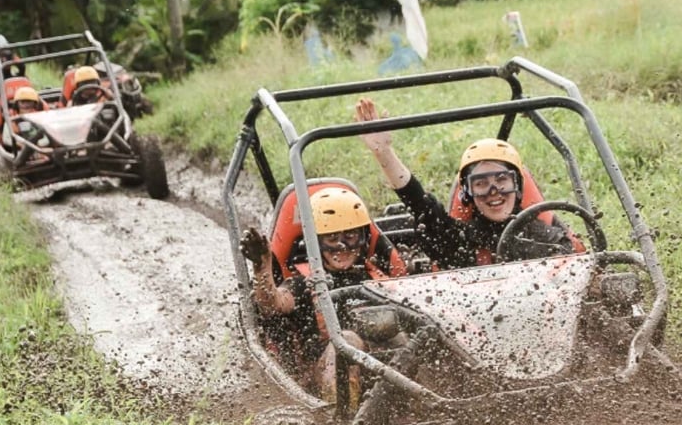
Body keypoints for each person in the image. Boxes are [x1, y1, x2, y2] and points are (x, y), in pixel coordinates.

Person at [354, 97, 580, 268]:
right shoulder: (459, 241)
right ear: (467, 194)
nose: (494, 192)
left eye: (502, 180)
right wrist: (384, 154)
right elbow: (421, 206)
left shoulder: (549, 239)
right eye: (481, 184)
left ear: (518, 187)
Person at [239, 184, 406, 401]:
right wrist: (263, 269)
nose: (342, 246)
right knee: (347, 340)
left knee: (411, 337)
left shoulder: (378, 276)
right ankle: (340, 424)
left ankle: (437, 406)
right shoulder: (304, 283)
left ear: (364, 237)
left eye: (350, 236)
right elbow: (272, 304)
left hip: (387, 370)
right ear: (316, 242)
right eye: (332, 237)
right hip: (325, 373)